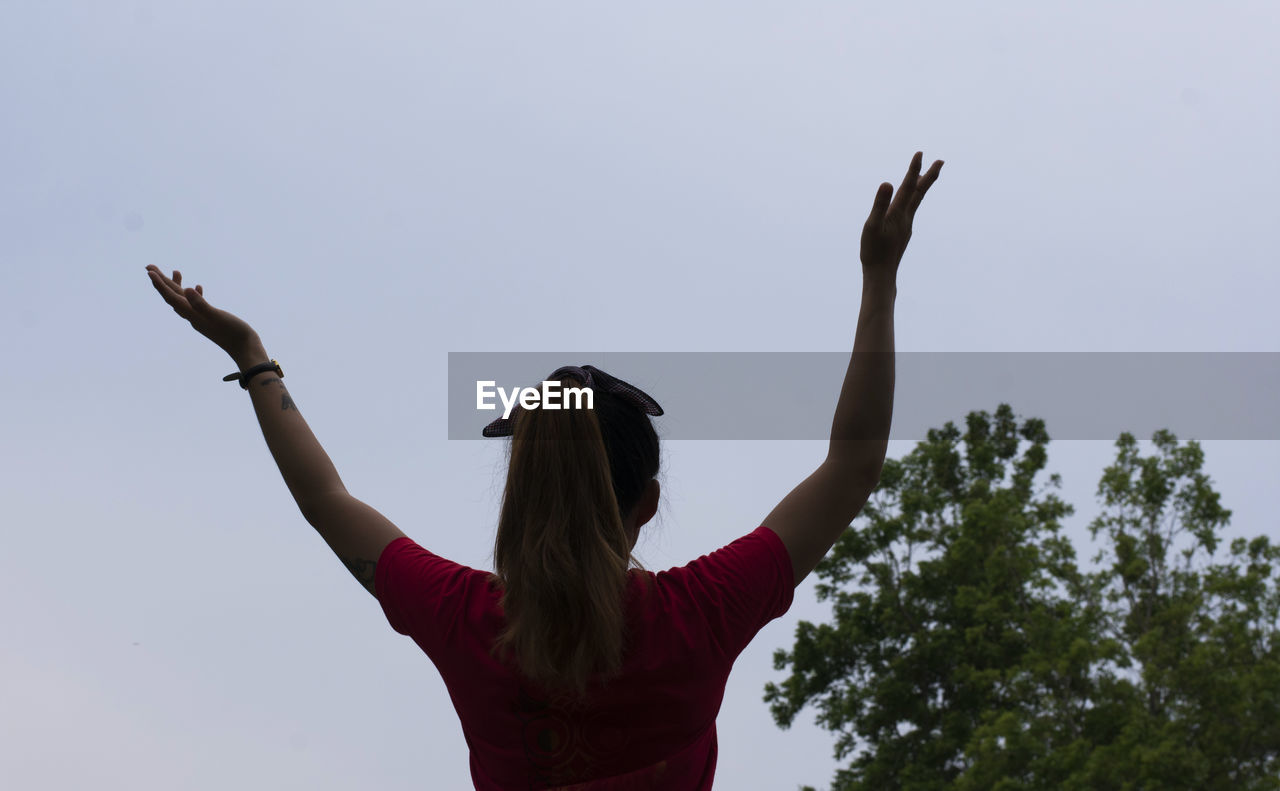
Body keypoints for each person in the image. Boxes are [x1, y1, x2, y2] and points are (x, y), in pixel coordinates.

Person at [145, 151, 943, 789]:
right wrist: (879, 278)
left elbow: (326, 500)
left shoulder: (465, 619)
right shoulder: (700, 614)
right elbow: (854, 462)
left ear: (520, 499)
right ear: (646, 502)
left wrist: (254, 360)